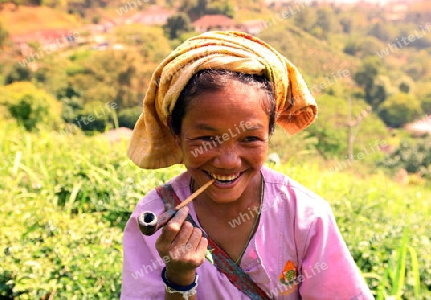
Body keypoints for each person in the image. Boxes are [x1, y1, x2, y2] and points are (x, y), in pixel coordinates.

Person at [121, 31, 374, 300]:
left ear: (269, 132)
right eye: (207, 138)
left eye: (250, 138)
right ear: (176, 132)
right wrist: (179, 279)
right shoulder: (153, 219)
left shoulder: (305, 217)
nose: (228, 161)